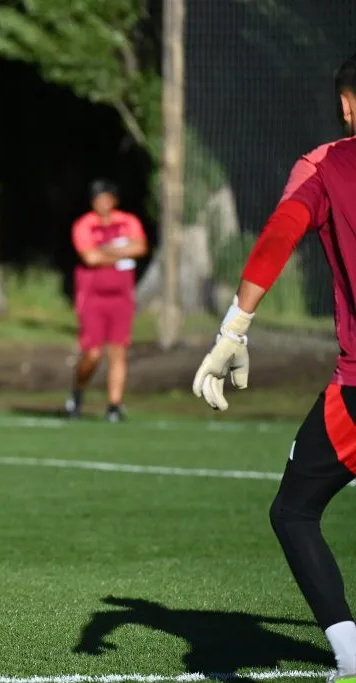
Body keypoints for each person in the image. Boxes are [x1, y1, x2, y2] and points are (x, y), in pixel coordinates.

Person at [191, 53, 356, 683]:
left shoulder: (325, 164)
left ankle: (350, 655)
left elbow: (280, 235)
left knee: (295, 511)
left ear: (346, 105)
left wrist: (233, 330)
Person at [65, 179, 148, 422]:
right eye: (96, 199)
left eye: (105, 198)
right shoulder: (84, 225)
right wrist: (121, 251)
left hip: (121, 297)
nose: (101, 203)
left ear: (114, 200)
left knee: (118, 351)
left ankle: (114, 404)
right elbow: (90, 257)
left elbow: (140, 247)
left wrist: (105, 251)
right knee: (92, 353)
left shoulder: (128, 221)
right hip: (93, 298)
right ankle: (78, 390)